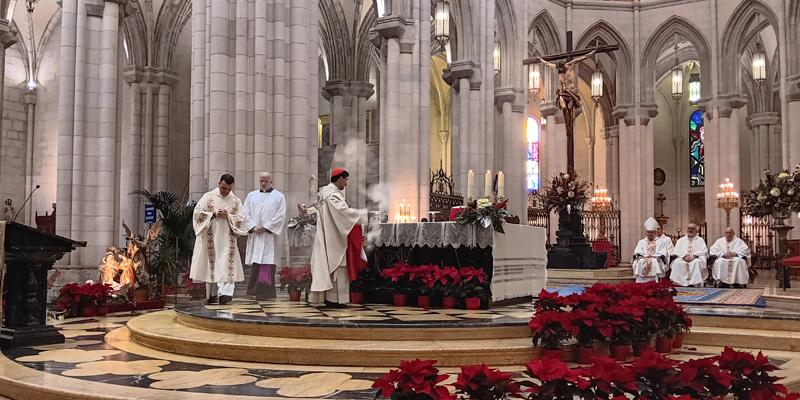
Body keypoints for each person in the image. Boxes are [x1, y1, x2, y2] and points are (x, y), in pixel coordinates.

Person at [309, 168, 367, 308]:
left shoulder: (326, 192)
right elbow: (343, 212)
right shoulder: (331, 194)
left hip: (330, 234)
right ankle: (335, 300)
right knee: (338, 267)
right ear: (339, 178)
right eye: (346, 180)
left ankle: (330, 298)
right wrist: (364, 214)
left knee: (330, 267)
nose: (346, 183)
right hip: (334, 237)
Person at [190, 174, 248, 305]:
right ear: (218, 183)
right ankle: (212, 294)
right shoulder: (208, 197)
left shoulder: (236, 201)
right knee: (211, 265)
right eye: (223, 188)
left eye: (229, 189)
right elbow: (197, 213)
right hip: (210, 237)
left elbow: (242, 218)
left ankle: (226, 295)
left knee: (226, 265)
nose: (226, 191)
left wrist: (229, 216)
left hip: (228, 239)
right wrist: (214, 214)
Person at [243, 172, 287, 300]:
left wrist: (267, 227)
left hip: (268, 236)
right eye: (261, 181)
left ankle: (266, 292)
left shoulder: (279, 196)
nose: (263, 183)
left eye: (266, 181)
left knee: (267, 263)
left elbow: (280, 215)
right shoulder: (251, 196)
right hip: (256, 234)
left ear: (271, 181)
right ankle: (254, 291)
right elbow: (245, 213)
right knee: (257, 263)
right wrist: (253, 226)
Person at [632, 217, 669, 283]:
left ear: (655, 232)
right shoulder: (641, 242)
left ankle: (655, 282)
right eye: (648, 232)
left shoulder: (661, 242)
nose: (650, 234)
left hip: (656, 258)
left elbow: (663, 252)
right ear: (646, 232)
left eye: (652, 232)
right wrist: (644, 256)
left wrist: (655, 256)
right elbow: (637, 251)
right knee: (640, 262)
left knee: (654, 261)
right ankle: (641, 282)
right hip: (644, 257)